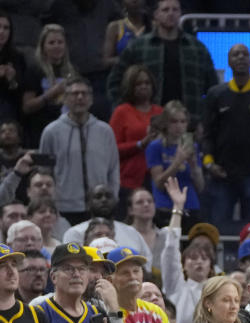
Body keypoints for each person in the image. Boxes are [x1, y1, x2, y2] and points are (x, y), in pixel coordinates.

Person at [202, 43, 250, 227]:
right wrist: (209, 162)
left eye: (244, 54)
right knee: (219, 228)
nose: (240, 57)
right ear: (229, 61)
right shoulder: (216, 94)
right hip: (221, 173)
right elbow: (207, 133)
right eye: (235, 54)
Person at [107, 0, 218, 119]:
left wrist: (205, 120)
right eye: (165, 10)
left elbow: (212, 88)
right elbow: (115, 81)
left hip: (189, 122)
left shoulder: (197, 48)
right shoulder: (138, 47)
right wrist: (125, 112)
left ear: (180, 13)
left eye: (175, 10)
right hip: (149, 123)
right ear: (156, 15)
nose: (171, 13)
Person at [38, 76, 119, 224]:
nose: (80, 97)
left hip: (100, 206)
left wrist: (112, 198)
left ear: (91, 99)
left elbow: (113, 169)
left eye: (84, 93)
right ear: (65, 99)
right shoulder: (51, 132)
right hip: (64, 208)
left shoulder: (105, 131)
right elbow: (44, 172)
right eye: (74, 94)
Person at [160, 178, 211, 323]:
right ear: (183, 265)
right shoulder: (176, 286)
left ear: (211, 266)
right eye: (193, 258)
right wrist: (177, 208)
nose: (199, 262)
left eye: (204, 258)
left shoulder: (218, 292)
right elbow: (170, 249)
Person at [63, 186, 152, 265]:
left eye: (108, 196)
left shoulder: (131, 232)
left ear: (116, 201)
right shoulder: (74, 233)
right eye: (98, 197)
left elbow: (146, 265)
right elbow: (70, 264)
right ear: (88, 203)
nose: (104, 200)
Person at [109, 65, 162, 191]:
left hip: (157, 179)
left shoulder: (160, 112)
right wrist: (140, 144)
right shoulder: (121, 112)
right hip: (129, 180)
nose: (144, 86)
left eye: (147, 83)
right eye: (138, 84)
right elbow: (111, 149)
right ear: (130, 87)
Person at [21, 24, 75, 147]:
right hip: (42, 131)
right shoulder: (34, 71)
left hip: (68, 131)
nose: (56, 46)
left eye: (60, 42)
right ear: (43, 47)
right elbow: (27, 107)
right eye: (51, 43)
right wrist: (50, 94)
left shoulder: (73, 71)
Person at [146, 100, 202, 213]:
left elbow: (200, 187)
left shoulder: (192, 146)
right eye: (174, 121)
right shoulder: (155, 147)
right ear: (166, 123)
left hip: (191, 204)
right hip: (165, 206)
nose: (179, 126)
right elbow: (159, 184)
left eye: (183, 121)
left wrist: (194, 166)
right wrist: (177, 162)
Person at [102, 0, 150, 68]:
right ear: (122, 2)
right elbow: (106, 61)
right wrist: (128, 58)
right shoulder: (115, 27)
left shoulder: (154, 27)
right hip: (124, 76)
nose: (135, 1)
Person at [0, 12, 26, 124]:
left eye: (6, 28)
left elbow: (19, 92)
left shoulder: (16, 56)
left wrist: (12, 80)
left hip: (8, 110)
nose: (2, 31)